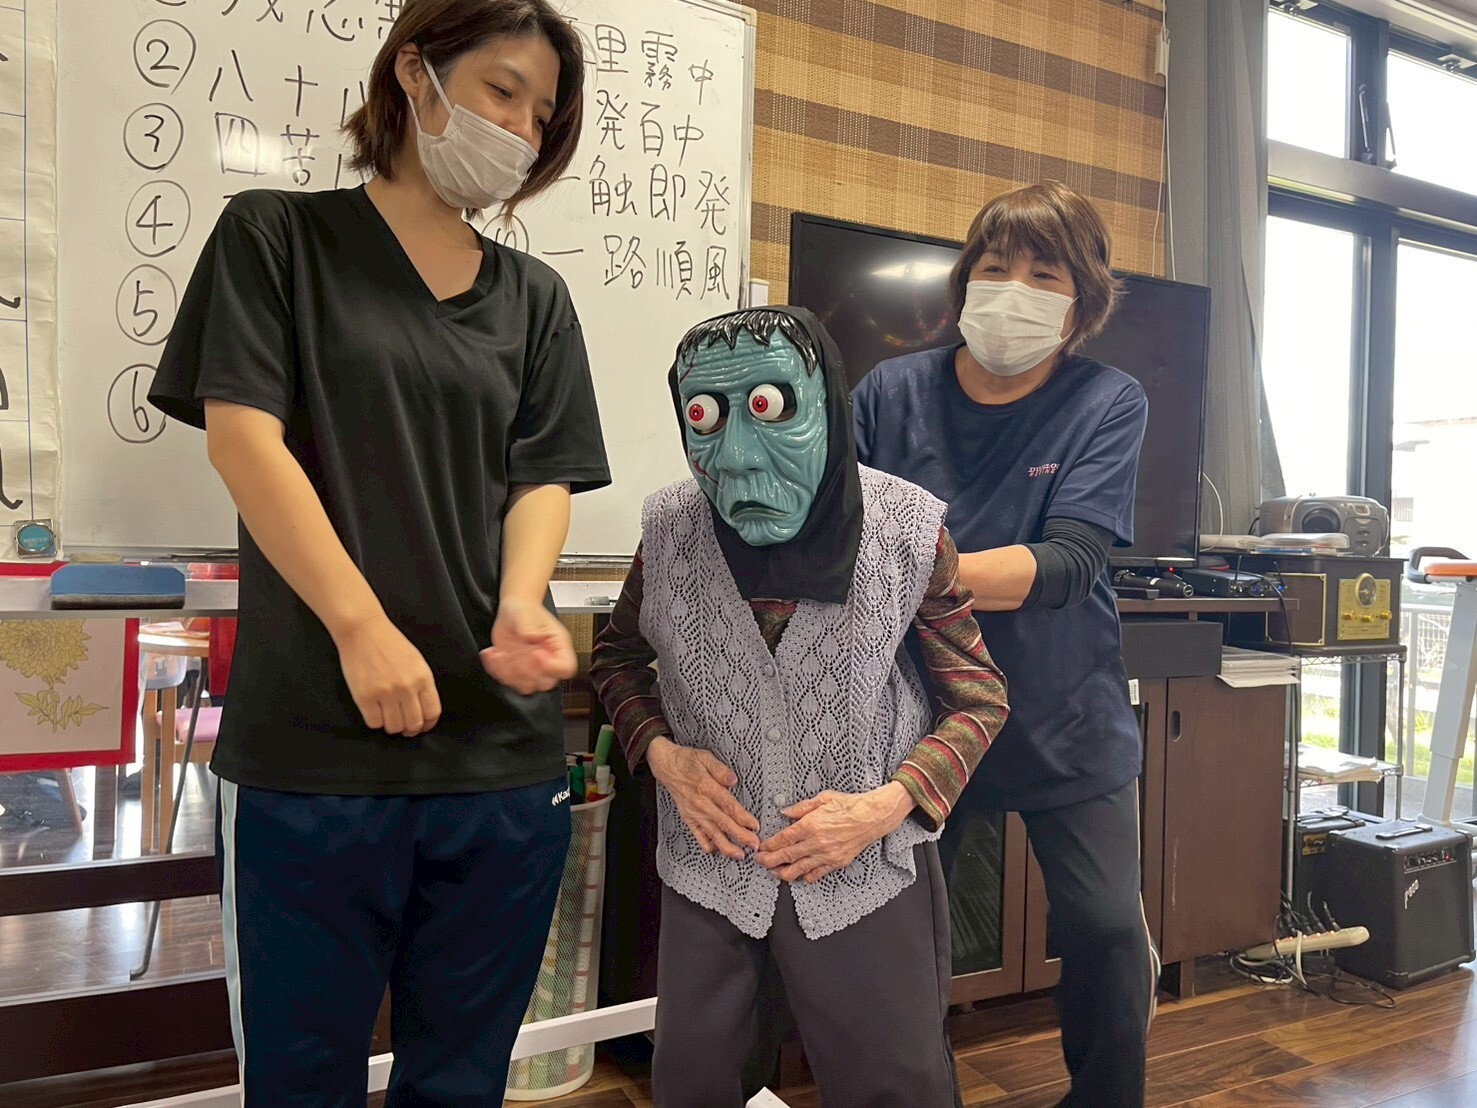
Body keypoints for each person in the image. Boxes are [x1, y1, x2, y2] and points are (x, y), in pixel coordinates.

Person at [147, 2, 609, 1103]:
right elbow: (242, 439)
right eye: (501, 91)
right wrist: (360, 628)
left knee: (461, 1080)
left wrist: (523, 601)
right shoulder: (276, 238)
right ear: (414, 72)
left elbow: (542, 478)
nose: (521, 130)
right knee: (300, 1080)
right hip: (314, 753)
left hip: (499, 761)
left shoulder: (535, 300)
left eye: (542, 114)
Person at [590, 307, 1010, 1108]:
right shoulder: (670, 530)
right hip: (710, 869)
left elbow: (977, 696)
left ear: (829, 405)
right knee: (695, 1079)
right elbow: (616, 659)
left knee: (894, 1083)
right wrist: (663, 758)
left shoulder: (904, 531)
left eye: (770, 408)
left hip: (862, 869)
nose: (737, 458)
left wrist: (884, 807)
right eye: (704, 419)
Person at [853, 181, 1157, 1106]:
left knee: (1106, 930)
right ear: (963, 281)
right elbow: (833, 529)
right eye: (993, 267)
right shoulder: (889, 392)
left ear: (1081, 300)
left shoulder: (1107, 400)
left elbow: (1067, 563)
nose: (1012, 289)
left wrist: (908, 568)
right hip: (920, 720)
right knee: (907, 945)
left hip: (1063, 715)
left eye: (1043, 274)